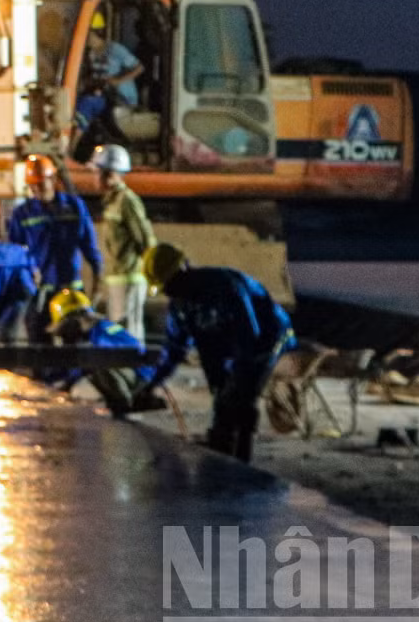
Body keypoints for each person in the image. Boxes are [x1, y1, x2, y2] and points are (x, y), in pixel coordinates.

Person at [133, 242, 294, 462]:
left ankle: (241, 457)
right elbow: (173, 351)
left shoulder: (225, 287)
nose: (169, 292)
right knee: (222, 395)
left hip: (267, 335)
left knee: (241, 395)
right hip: (225, 342)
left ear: (183, 270)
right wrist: (151, 383)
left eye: (169, 284)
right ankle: (222, 451)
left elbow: (249, 336)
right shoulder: (181, 307)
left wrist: (236, 382)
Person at [7, 155, 102, 338]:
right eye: (32, 185)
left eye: (40, 184)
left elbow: (90, 248)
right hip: (40, 293)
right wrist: (27, 274)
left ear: (52, 179)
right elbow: (15, 253)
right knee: (38, 343)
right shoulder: (23, 214)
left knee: (76, 343)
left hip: (71, 292)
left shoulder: (74, 207)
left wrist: (98, 281)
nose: (36, 189)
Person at [43, 289, 153, 417]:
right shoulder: (90, 335)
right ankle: (117, 404)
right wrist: (60, 387)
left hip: (139, 377)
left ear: (75, 318)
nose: (65, 334)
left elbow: (129, 353)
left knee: (96, 362)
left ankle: (124, 405)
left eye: (65, 326)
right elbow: (77, 370)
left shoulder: (102, 331)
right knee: (91, 366)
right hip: (126, 374)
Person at [89, 143, 157, 342]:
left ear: (109, 174)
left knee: (129, 336)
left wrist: (152, 275)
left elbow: (145, 240)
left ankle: (136, 363)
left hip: (129, 278)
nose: (93, 178)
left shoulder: (127, 201)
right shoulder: (112, 202)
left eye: (97, 172)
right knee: (119, 335)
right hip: (118, 278)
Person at [77, 13, 143, 128]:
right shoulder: (90, 54)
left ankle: (74, 138)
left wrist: (117, 81)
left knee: (86, 103)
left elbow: (139, 68)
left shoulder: (114, 49)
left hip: (122, 99)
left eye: (85, 33)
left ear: (95, 33)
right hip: (105, 97)